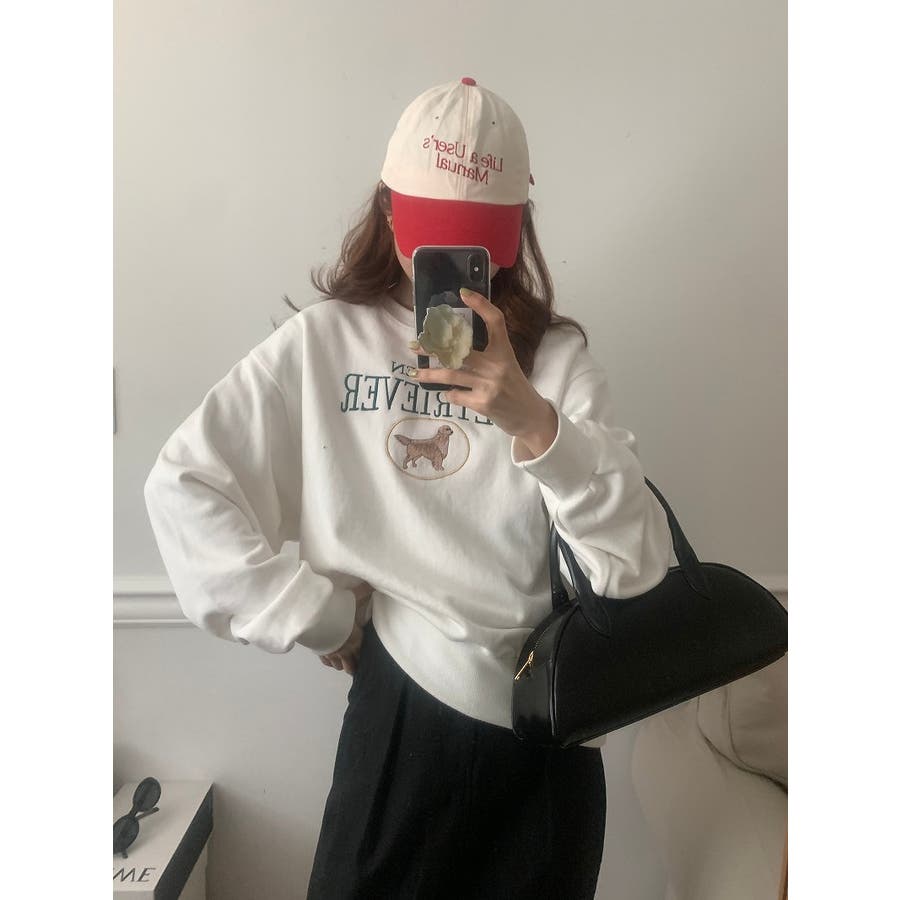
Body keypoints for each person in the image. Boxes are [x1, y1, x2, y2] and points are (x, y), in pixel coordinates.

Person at [143, 77, 675, 899]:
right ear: (390, 212)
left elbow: (632, 574)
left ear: (516, 229)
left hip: (554, 734)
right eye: (431, 231)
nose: (449, 259)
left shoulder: (555, 362)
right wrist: (314, 612)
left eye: (475, 240)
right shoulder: (322, 344)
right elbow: (184, 487)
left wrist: (533, 421)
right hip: (402, 717)